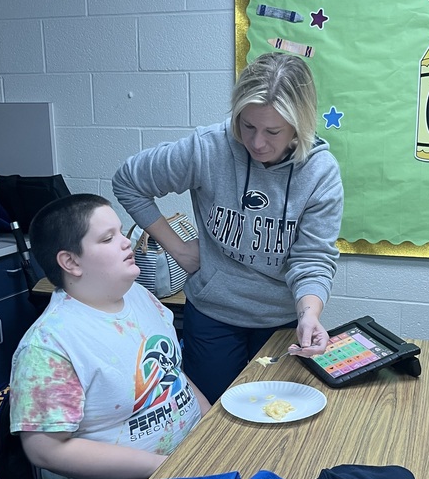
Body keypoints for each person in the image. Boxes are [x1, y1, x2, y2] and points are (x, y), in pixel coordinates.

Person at [112, 52, 344, 402]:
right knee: (211, 423)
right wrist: (179, 249)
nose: (257, 142)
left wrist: (309, 315)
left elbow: (312, 259)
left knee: (275, 418)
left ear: (300, 125)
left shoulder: (319, 172)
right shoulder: (208, 148)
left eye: (273, 131)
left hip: (282, 320)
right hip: (213, 316)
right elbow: (129, 182)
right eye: (247, 126)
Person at [9, 194, 210, 479]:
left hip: (186, 462)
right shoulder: (50, 346)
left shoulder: (137, 294)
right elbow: (44, 449)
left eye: (120, 232)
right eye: (108, 238)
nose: (126, 242)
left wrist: (211, 426)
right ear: (71, 262)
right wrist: (163, 467)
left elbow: (169, 372)